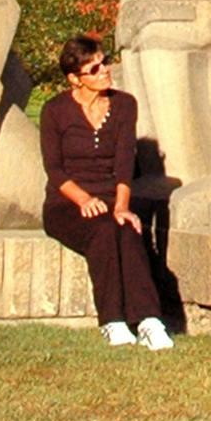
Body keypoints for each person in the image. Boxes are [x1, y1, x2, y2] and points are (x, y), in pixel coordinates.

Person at [40, 34, 173, 350]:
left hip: (112, 199)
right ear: (75, 79)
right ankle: (112, 321)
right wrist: (84, 199)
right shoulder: (54, 111)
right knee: (101, 232)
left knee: (126, 230)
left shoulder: (125, 105)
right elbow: (54, 170)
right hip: (67, 203)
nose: (105, 71)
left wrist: (122, 206)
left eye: (105, 63)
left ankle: (149, 320)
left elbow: (125, 162)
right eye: (95, 69)